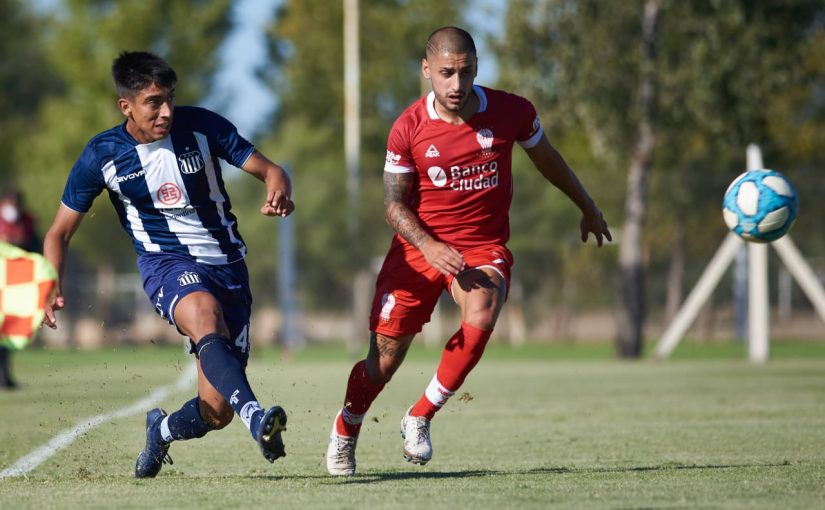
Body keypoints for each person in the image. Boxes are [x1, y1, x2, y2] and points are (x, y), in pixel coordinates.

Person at [325, 27, 612, 476]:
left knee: (482, 310)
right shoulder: (408, 128)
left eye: (466, 72)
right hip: (417, 249)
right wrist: (429, 244)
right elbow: (393, 205)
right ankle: (347, 428)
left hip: (481, 246)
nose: (456, 84)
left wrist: (588, 206)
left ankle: (419, 415)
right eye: (445, 73)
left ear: (476, 69)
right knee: (382, 361)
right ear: (426, 72)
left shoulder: (512, 111)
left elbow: (547, 157)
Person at [43, 51, 295, 478]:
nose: (165, 111)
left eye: (169, 99)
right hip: (166, 263)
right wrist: (50, 283)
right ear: (127, 106)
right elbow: (58, 233)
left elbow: (271, 170)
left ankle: (160, 431)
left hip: (229, 268)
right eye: (153, 102)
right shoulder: (101, 155)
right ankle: (257, 418)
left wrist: (278, 189)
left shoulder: (202, 126)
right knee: (203, 314)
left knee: (215, 412)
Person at [0, 189, 41, 389]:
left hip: (17, 283)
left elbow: (36, 249)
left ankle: (4, 375)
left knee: (9, 332)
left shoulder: (27, 223)